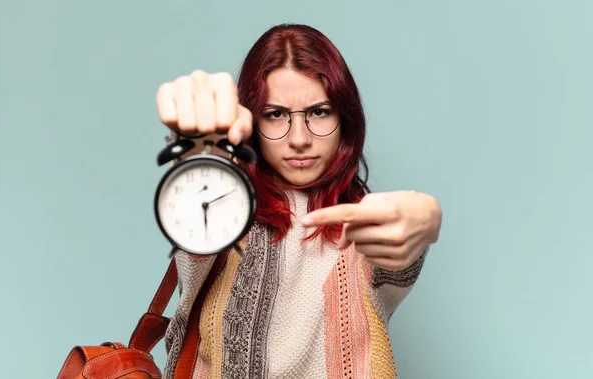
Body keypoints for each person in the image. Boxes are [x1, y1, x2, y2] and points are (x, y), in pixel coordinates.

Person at [155, 23, 442, 379]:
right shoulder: (226, 212)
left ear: (345, 118)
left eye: (319, 111)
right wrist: (200, 150)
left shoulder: (369, 224)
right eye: (275, 115)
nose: (300, 139)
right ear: (252, 120)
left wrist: (429, 217)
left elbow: (404, 242)